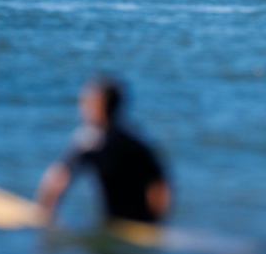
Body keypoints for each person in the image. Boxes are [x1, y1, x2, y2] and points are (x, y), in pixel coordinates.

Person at [35, 77, 171, 225]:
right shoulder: (136, 140)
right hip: (144, 223)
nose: (82, 108)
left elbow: (57, 179)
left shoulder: (91, 141)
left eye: (86, 102)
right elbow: (161, 185)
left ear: (97, 106)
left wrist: (43, 212)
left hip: (114, 223)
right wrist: (155, 221)